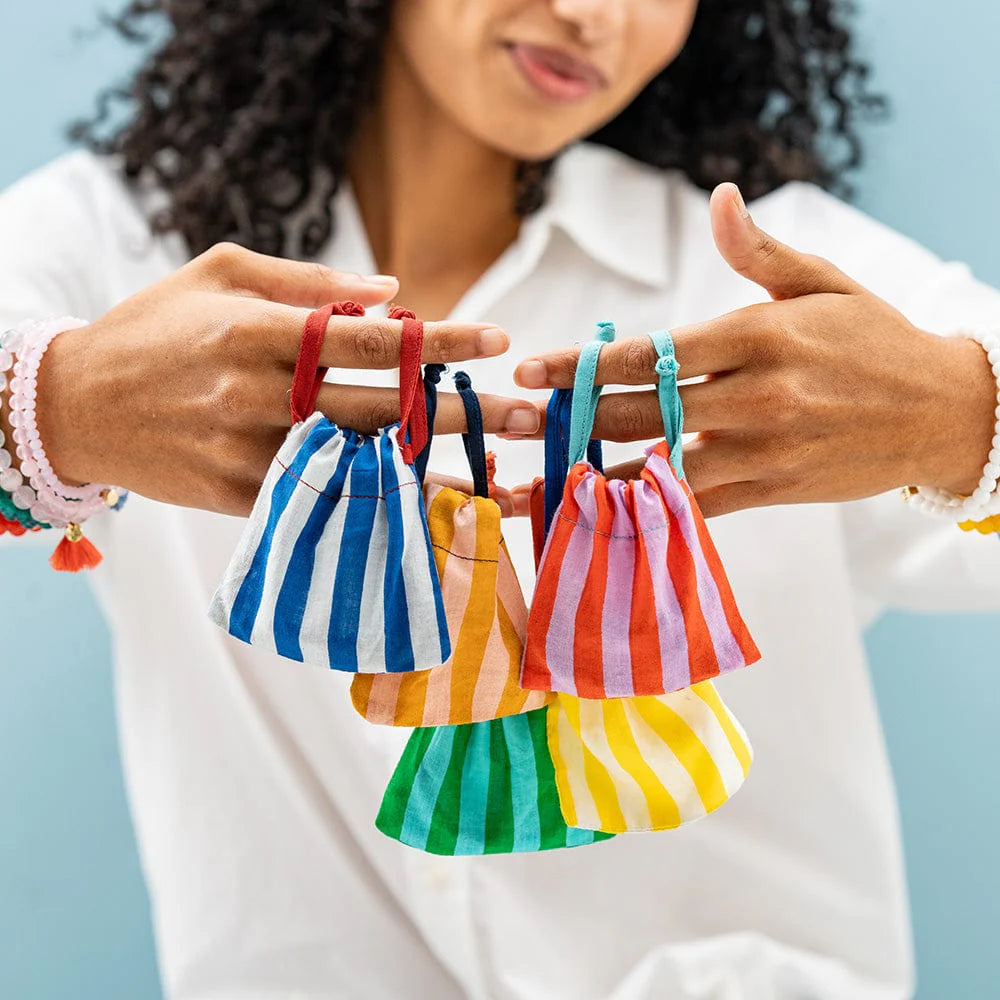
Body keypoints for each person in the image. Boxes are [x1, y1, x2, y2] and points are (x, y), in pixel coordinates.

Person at [1, 1, 998, 997]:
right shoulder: (118, 249)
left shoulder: (776, 287)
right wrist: (54, 403)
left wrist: (962, 417)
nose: (590, 14)